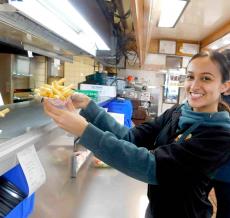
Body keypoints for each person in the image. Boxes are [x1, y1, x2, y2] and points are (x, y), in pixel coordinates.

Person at [43, 50, 230, 218]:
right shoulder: (177, 111)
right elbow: (131, 138)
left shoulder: (219, 137)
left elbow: (151, 165)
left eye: (206, 78)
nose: (194, 85)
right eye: (190, 76)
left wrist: (83, 130)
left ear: (225, 86)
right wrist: (88, 106)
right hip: (155, 211)